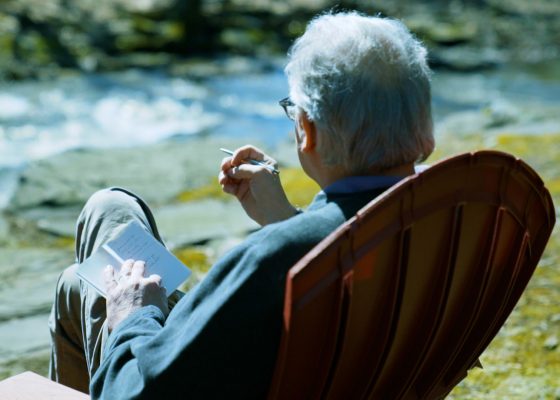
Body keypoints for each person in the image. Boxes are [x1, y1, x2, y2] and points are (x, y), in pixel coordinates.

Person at [48, 11, 434, 399]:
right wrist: (283, 219)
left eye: (293, 110)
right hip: (342, 373)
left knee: (106, 218)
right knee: (82, 265)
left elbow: (130, 393)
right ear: (424, 129)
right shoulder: (446, 220)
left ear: (309, 133)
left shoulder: (268, 261)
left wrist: (134, 315)